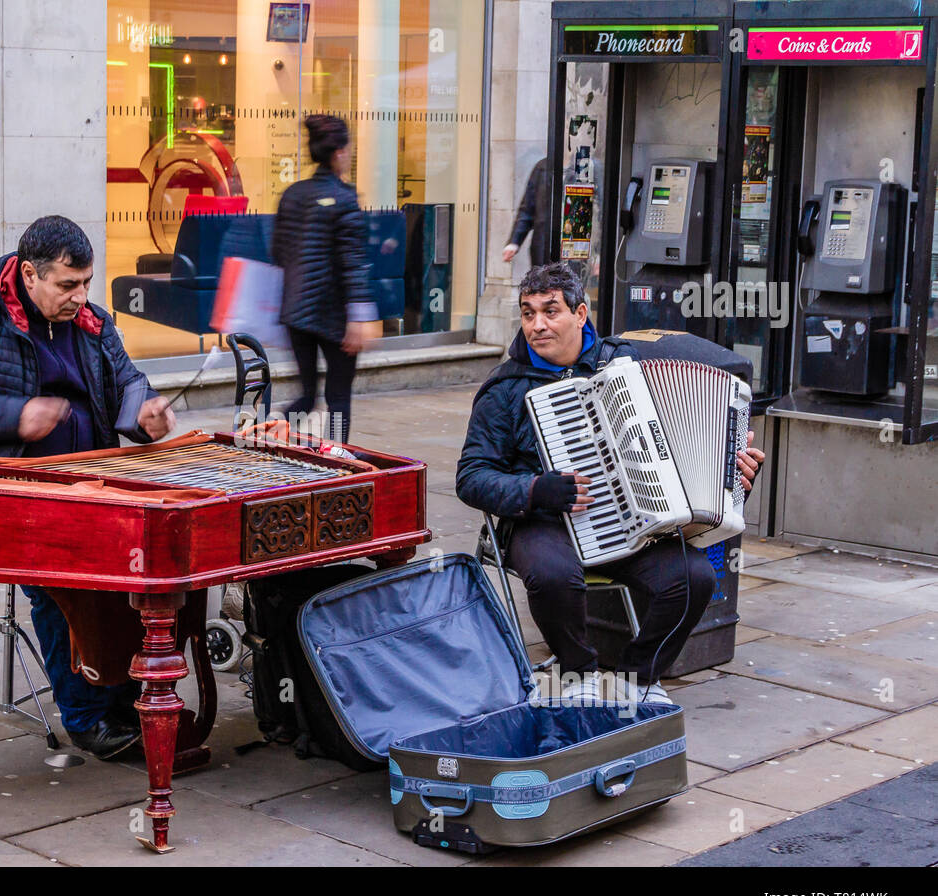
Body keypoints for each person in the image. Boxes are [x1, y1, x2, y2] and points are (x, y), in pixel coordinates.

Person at [0, 215, 176, 759]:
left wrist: (143, 412)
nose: (80, 298)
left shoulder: (92, 323)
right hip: (1, 493)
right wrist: (14, 417)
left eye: (85, 284)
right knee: (64, 587)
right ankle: (85, 716)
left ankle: (123, 695)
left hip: (88, 483)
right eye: (66, 285)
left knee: (144, 563)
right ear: (29, 275)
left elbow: (126, 381)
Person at [456, 262, 765, 702]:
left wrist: (732, 476)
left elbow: (677, 453)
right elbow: (471, 477)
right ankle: (578, 672)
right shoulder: (504, 389)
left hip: (627, 519)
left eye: (550, 311)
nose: (537, 325)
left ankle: (634, 682)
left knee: (695, 576)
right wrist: (535, 489)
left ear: (581, 315)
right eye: (528, 313)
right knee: (552, 574)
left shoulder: (625, 366)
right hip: (541, 521)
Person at [273, 114, 380, 444]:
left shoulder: (292, 194)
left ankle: (265, 430)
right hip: (334, 314)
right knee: (337, 398)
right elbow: (353, 261)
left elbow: (278, 252)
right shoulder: (345, 198)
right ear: (339, 153)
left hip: (296, 312)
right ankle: (336, 462)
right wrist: (359, 315)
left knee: (307, 394)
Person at [503, 157, 550, 269]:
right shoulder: (542, 167)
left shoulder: (587, 167)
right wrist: (514, 242)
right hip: (543, 246)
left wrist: (596, 255)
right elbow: (528, 208)